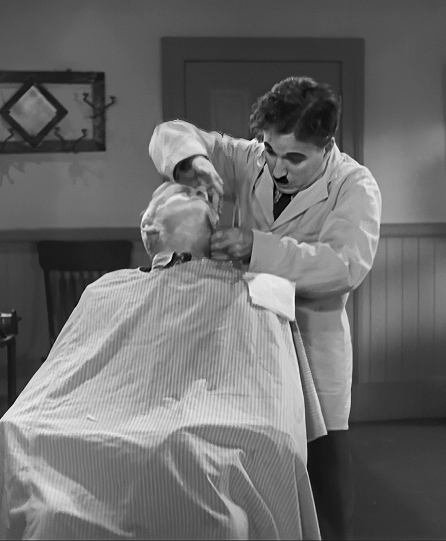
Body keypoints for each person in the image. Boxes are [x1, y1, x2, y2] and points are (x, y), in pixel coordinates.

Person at [0, 181, 324, 540]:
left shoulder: (251, 291)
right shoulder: (109, 291)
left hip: (133, 430)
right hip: (158, 434)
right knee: (17, 427)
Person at [149, 76, 382, 540]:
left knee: (324, 479)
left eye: (294, 158)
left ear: (326, 144)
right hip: (250, 345)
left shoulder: (354, 185)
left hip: (313, 347)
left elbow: (342, 267)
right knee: (255, 475)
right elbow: (169, 131)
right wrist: (194, 161)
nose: (276, 168)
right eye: (270, 151)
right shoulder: (248, 159)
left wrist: (257, 245)